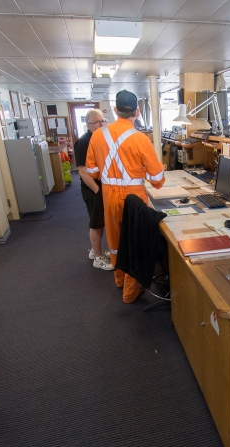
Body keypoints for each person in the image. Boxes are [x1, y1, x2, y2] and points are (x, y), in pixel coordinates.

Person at [86, 90, 165, 303]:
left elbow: (92, 171)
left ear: (114, 110)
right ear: (137, 112)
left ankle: (119, 280)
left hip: (108, 196)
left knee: (115, 241)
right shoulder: (141, 139)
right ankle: (130, 293)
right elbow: (158, 179)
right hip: (134, 199)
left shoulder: (97, 135)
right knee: (134, 242)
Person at [75, 109, 113, 270]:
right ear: (88, 125)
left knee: (100, 221)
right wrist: (99, 191)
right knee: (96, 223)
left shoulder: (99, 138)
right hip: (93, 188)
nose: (101, 124)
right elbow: (83, 172)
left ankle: (94, 250)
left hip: (100, 185)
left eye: (103, 121)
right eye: (97, 122)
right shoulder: (83, 142)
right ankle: (98, 258)